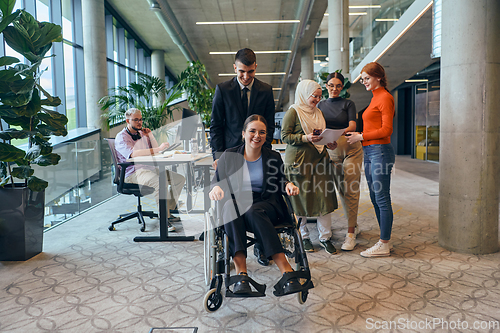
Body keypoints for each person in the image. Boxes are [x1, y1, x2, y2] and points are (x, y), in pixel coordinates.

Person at [209, 115, 302, 295]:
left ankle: (285, 269)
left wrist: (288, 185)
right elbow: (216, 182)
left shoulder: (273, 157)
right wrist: (215, 189)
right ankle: (241, 274)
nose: (256, 135)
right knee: (230, 207)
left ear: (266, 136)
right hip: (236, 203)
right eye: (252, 131)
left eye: (262, 132)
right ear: (243, 133)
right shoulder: (229, 155)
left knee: (253, 210)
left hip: (266, 203)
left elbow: (281, 180)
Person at [210, 48, 276, 266]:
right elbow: (216, 126)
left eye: (250, 71)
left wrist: (265, 152)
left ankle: (260, 245)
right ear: (234, 68)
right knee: (229, 200)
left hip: (256, 154)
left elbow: (269, 125)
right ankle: (229, 248)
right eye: (241, 72)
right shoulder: (223, 89)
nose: (246, 77)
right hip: (230, 156)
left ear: (256, 66)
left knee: (257, 197)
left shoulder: (265, 90)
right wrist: (219, 156)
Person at [281, 80, 339, 254]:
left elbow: (321, 135)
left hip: (320, 160)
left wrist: (329, 143)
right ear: (304, 94)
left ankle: (325, 237)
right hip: (299, 162)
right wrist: (305, 138)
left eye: (320, 96)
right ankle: (304, 236)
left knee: (324, 198)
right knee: (300, 200)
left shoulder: (319, 112)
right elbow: (284, 136)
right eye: (314, 96)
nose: (317, 99)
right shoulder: (293, 112)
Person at [346, 62, 395, 257]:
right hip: (371, 151)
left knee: (382, 197)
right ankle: (384, 240)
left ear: (378, 77)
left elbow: (387, 130)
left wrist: (361, 136)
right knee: (375, 197)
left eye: (366, 78)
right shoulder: (375, 98)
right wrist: (361, 134)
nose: (364, 82)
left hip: (380, 151)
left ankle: (384, 243)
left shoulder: (385, 98)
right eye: (362, 78)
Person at [115, 108, 186, 232]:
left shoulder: (142, 134)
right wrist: (158, 149)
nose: (139, 122)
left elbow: (155, 148)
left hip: (149, 168)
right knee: (160, 183)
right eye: (136, 120)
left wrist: (151, 136)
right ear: (127, 120)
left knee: (179, 179)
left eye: (141, 119)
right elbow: (133, 153)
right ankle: (165, 220)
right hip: (133, 173)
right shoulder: (121, 137)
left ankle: (166, 212)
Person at [317, 72, 363, 251]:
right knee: (341, 191)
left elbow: (353, 126)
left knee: (351, 189)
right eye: (331, 85)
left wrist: (336, 132)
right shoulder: (320, 105)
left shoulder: (348, 103)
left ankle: (351, 233)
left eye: (338, 86)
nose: (334, 89)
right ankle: (354, 224)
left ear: (342, 87)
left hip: (351, 149)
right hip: (332, 152)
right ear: (326, 86)